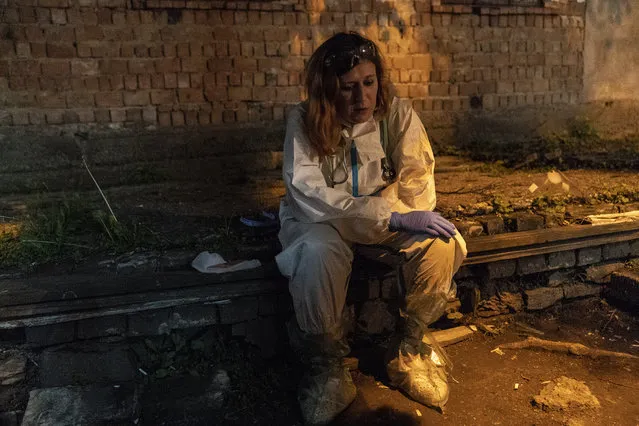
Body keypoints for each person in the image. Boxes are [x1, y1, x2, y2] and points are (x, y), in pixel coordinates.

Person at [275, 32, 467, 425]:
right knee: (315, 255)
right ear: (328, 89)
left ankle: (409, 348)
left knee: (443, 244)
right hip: (323, 221)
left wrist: (403, 217)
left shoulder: (395, 115)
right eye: (348, 88)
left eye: (369, 82)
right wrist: (387, 217)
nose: (362, 98)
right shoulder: (304, 119)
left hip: (385, 218)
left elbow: (417, 181)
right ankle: (326, 366)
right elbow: (307, 191)